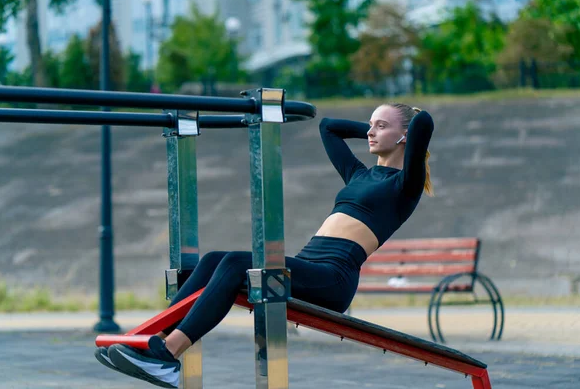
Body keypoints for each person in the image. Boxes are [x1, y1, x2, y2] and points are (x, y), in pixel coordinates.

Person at [95, 103, 435, 388]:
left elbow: (423, 121)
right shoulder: (359, 175)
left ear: (404, 136)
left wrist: (399, 127)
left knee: (234, 263)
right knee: (217, 258)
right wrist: (377, 128)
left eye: (380, 126)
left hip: (333, 277)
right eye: (369, 126)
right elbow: (328, 128)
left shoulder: (406, 186)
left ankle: (169, 355)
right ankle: (156, 341)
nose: (371, 133)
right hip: (309, 265)